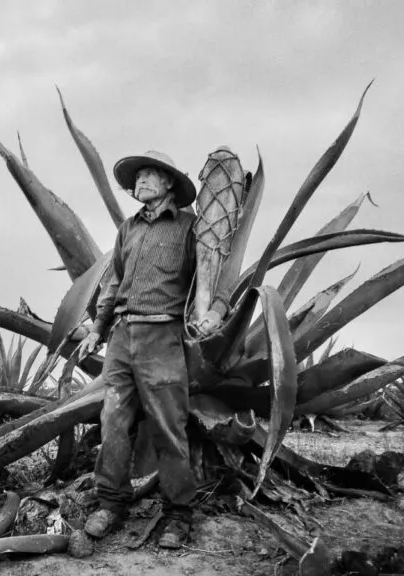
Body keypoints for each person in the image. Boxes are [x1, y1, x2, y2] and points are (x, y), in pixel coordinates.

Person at [75, 150, 228, 549]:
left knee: (167, 425)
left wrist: (214, 311)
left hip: (163, 338)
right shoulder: (128, 229)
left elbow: (216, 283)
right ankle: (111, 503)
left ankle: (178, 515)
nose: (140, 181)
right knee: (112, 421)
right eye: (137, 177)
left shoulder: (192, 228)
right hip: (122, 338)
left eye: (149, 175)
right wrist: (98, 328)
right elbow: (113, 285)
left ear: (169, 184)